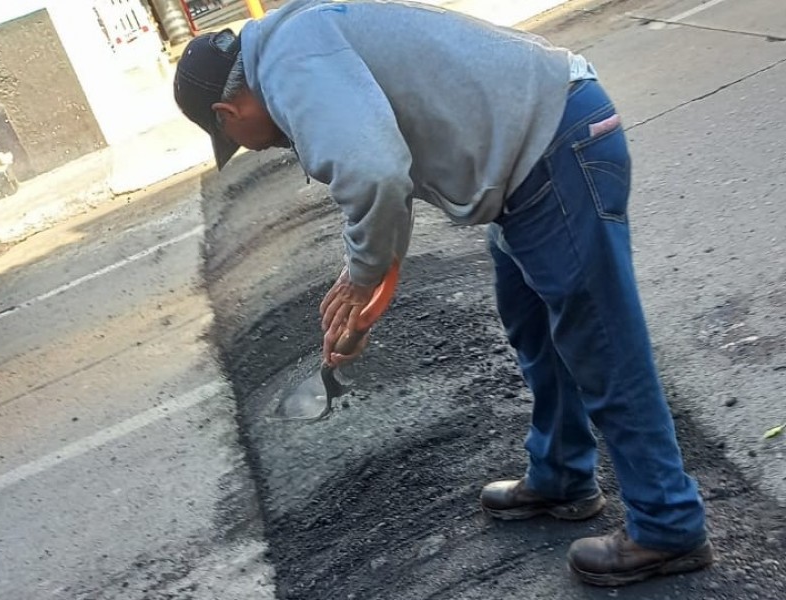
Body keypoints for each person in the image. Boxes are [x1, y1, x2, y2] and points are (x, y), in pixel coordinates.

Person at [173, 0, 714, 586]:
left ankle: (667, 525)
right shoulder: (295, 41)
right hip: (530, 163)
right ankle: (562, 475)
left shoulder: (288, 63)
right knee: (534, 332)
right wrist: (367, 279)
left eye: (235, 139)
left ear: (228, 111)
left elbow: (375, 172)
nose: (256, 149)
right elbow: (390, 173)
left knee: (603, 346)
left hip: (552, 149)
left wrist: (362, 273)